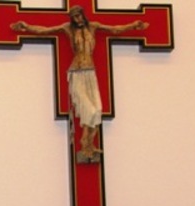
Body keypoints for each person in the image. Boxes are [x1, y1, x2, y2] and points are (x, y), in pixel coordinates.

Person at [11, 7, 148, 163]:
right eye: (75, 17)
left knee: (97, 111)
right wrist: (26, 26)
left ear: (83, 15)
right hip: (76, 73)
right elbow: (45, 30)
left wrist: (133, 25)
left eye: (80, 16)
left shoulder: (93, 26)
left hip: (90, 73)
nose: (78, 19)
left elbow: (115, 29)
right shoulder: (68, 28)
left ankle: (88, 144)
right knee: (89, 110)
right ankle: (84, 143)